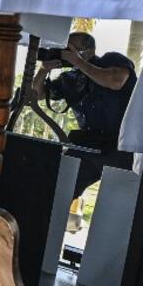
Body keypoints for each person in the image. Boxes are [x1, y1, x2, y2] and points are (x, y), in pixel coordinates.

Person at [32, 32, 137, 200]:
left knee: (119, 204)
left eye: (70, 49)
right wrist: (44, 70)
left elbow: (116, 81)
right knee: (55, 189)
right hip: (88, 145)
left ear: (89, 50)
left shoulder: (110, 61)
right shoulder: (69, 78)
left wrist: (79, 63)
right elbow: (35, 95)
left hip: (120, 147)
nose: (66, 53)